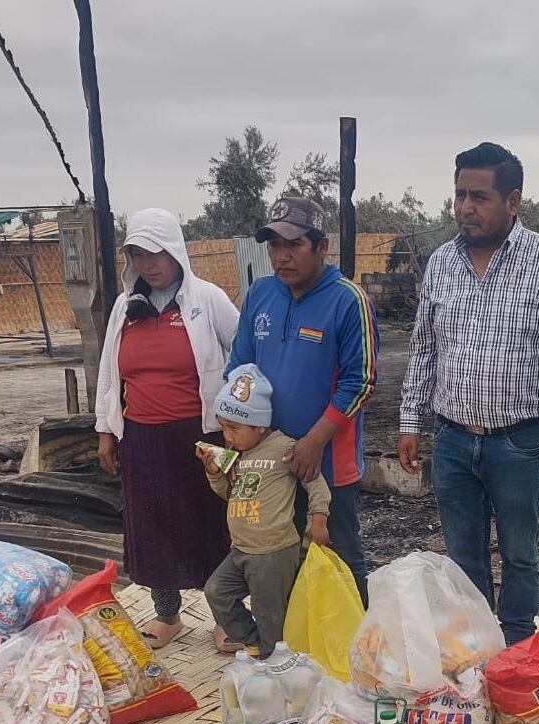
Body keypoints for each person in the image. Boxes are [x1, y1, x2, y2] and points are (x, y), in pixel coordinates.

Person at [397, 142, 539, 645]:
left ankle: (519, 648)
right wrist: (409, 423)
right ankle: (477, 648)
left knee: (521, 554)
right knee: (462, 557)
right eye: (460, 194)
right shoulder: (441, 264)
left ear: (513, 201)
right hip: (453, 440)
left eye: (479, 196)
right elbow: (425, 349)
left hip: (519, 442)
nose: (465, 207)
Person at [95, 207, 240, 649]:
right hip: (141, 436)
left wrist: (241, 420)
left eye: (155, 252)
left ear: (176, 250)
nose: (148, 263)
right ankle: (167, 616)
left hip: (202, 436)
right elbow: (108, 373)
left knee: (212, 524)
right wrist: (106, 431)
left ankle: (224, 617)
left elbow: (244, 353)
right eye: (137, 254)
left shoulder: (207, 300)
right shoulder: (124, 308)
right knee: (152, 525)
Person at [228, 195, 378, 602]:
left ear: (321, 246)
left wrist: (314, 441)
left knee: (338, 551)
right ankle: (295, 643)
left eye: (293, 245)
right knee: (279, 552)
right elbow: (240, 366)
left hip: (327, 459)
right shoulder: (260, 294)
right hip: (269, 457)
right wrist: (240, 432)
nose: (281, 256)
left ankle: (355, 645)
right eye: (274, 245)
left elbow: (360, 382)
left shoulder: (348, 300)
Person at [200, 364, 332, 658]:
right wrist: (214, 472)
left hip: (273, 551)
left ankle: (276, 667)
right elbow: (230, 494)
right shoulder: (237, 456)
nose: (228, 436)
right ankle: (256, 643)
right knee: (216, 592)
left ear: (259, 425)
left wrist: (318, 519)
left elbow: (315, 483)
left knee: (270, 613)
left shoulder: (284, 448)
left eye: (234, 428)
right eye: (223, 427)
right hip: (241, 550)